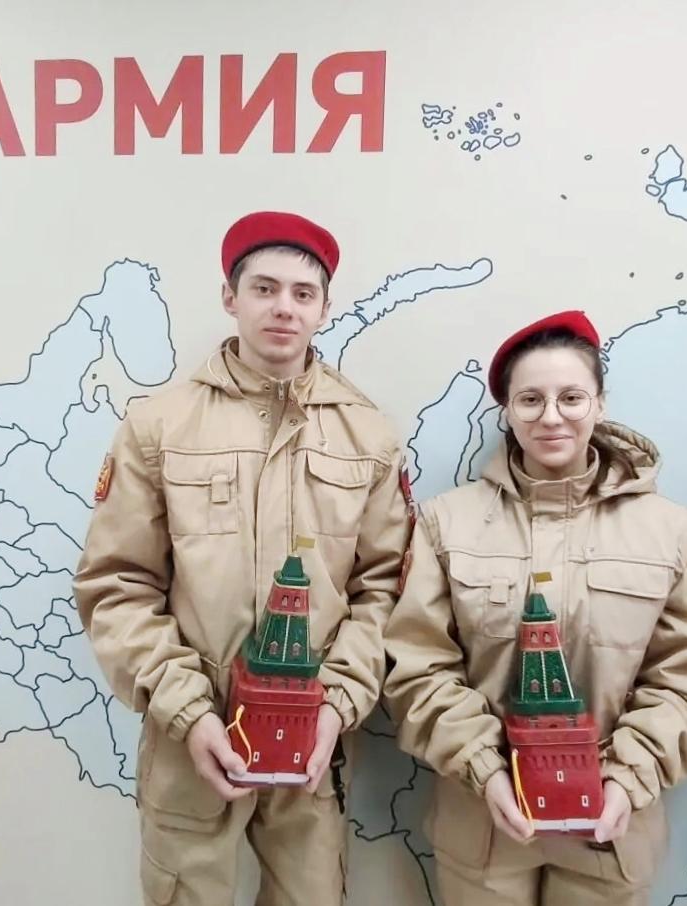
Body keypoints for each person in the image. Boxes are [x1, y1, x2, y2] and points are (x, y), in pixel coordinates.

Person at [72, 211, 411, 906]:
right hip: (189, 735)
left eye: (302, 293)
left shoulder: (369, 435)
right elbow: (117, 585)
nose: (284, 307)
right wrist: (188, 712)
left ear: (323, 308)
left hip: (315, 737)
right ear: (230, 297)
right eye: (264, 288)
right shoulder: (159, 425)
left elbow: (384, 590)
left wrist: (336, 706)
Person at [382, 310, 687, 905]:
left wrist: (628, 777)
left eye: (571, 397)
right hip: (482, 823)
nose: (551, 417)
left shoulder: (674, 532)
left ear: (599, 404)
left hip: (612, 831)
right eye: (530, 400)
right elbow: (419, 665)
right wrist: (484, 768)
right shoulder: (446, 523)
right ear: (506, 411)